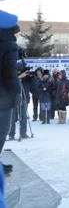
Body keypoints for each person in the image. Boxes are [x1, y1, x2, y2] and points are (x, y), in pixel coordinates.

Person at [0, 10, 21, 175]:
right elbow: (8, 72)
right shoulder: (10, 45)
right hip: (3, 96)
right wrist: (17, 89)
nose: (18, 36)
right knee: (3, 128)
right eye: (18, 33)